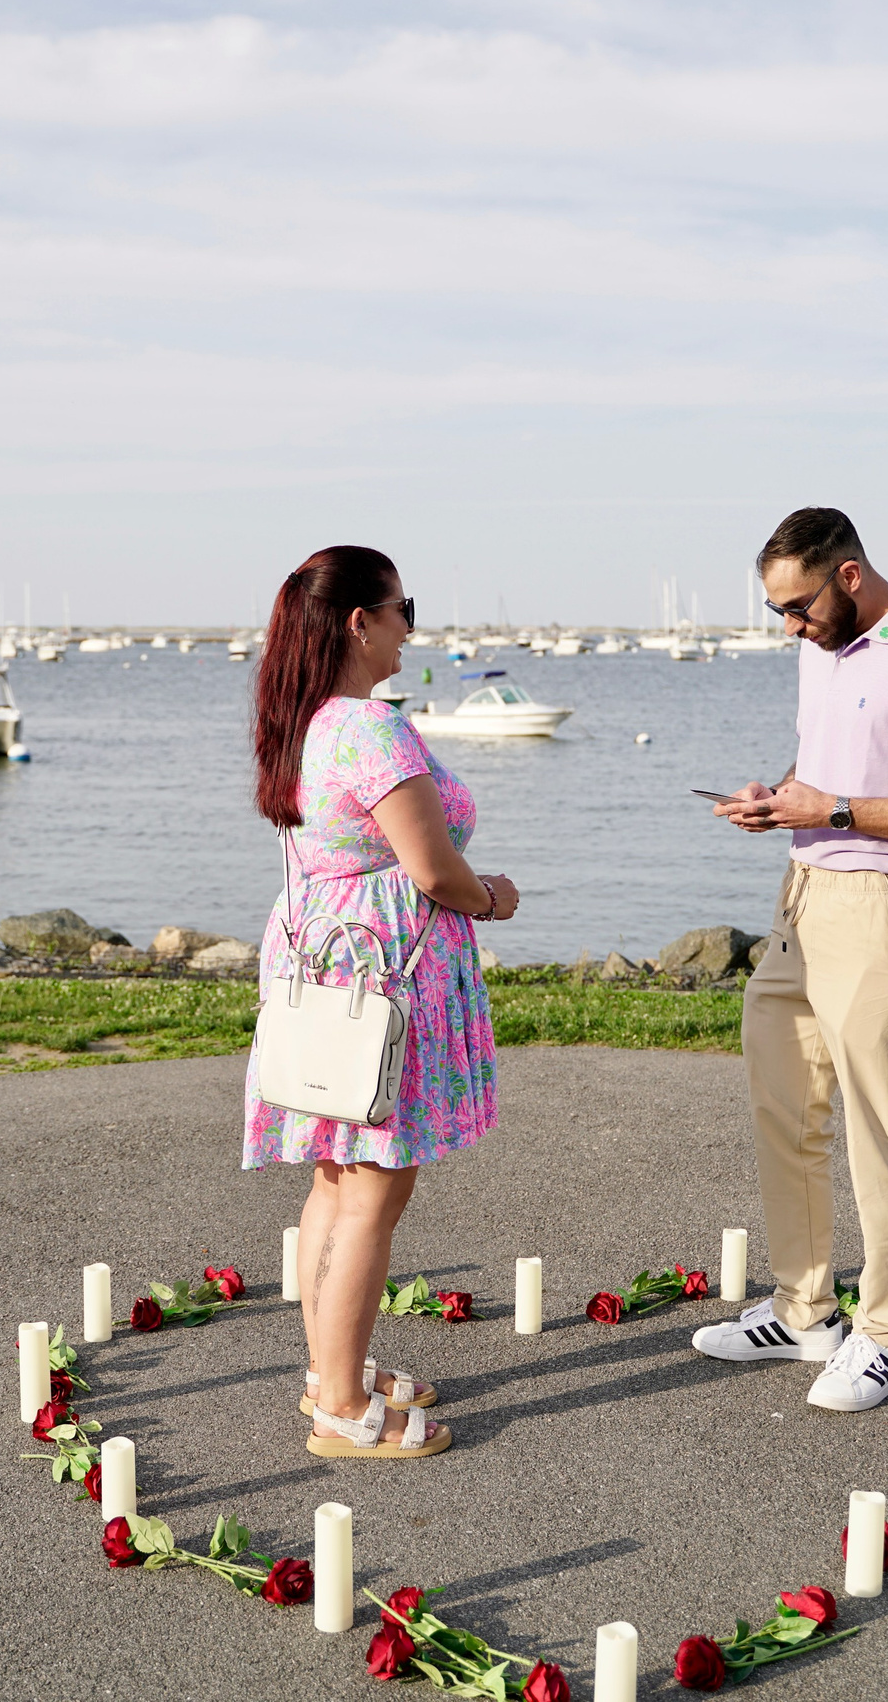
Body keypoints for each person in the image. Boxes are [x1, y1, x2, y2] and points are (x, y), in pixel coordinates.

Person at [691, 507, 888, 1412]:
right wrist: (777, 799)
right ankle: (803, 1311)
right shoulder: (818, 650)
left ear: (849, 576)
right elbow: (828, 777)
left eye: (798, 605)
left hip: (876, 910)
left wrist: (831, 811)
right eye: (777, 611)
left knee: (876, 1123)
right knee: (784, 1104)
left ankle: (883, 1333)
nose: (789, 625)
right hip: (801, 895)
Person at [243, 545, 519, 1460]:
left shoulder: (308, 721)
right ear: (359, 621)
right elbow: (433, 869)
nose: (412, 628)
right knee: (373, 1190)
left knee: (336, 1175)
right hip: (382, 978)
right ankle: (342, 1412)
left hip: (329, 963)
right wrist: (494, 897)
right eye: (405, 608)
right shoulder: (370, 729)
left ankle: (333, 1372)